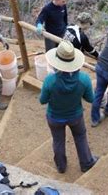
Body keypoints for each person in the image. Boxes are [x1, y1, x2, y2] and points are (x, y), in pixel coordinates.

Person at [39, 40, 98, 174]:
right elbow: (91, 99)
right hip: (75, 116)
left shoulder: (50, 80)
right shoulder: (84, 79)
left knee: (58, 140)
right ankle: (86, 163)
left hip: (54, 117)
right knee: (80, 137)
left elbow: (42, 101)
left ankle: (61, 166)